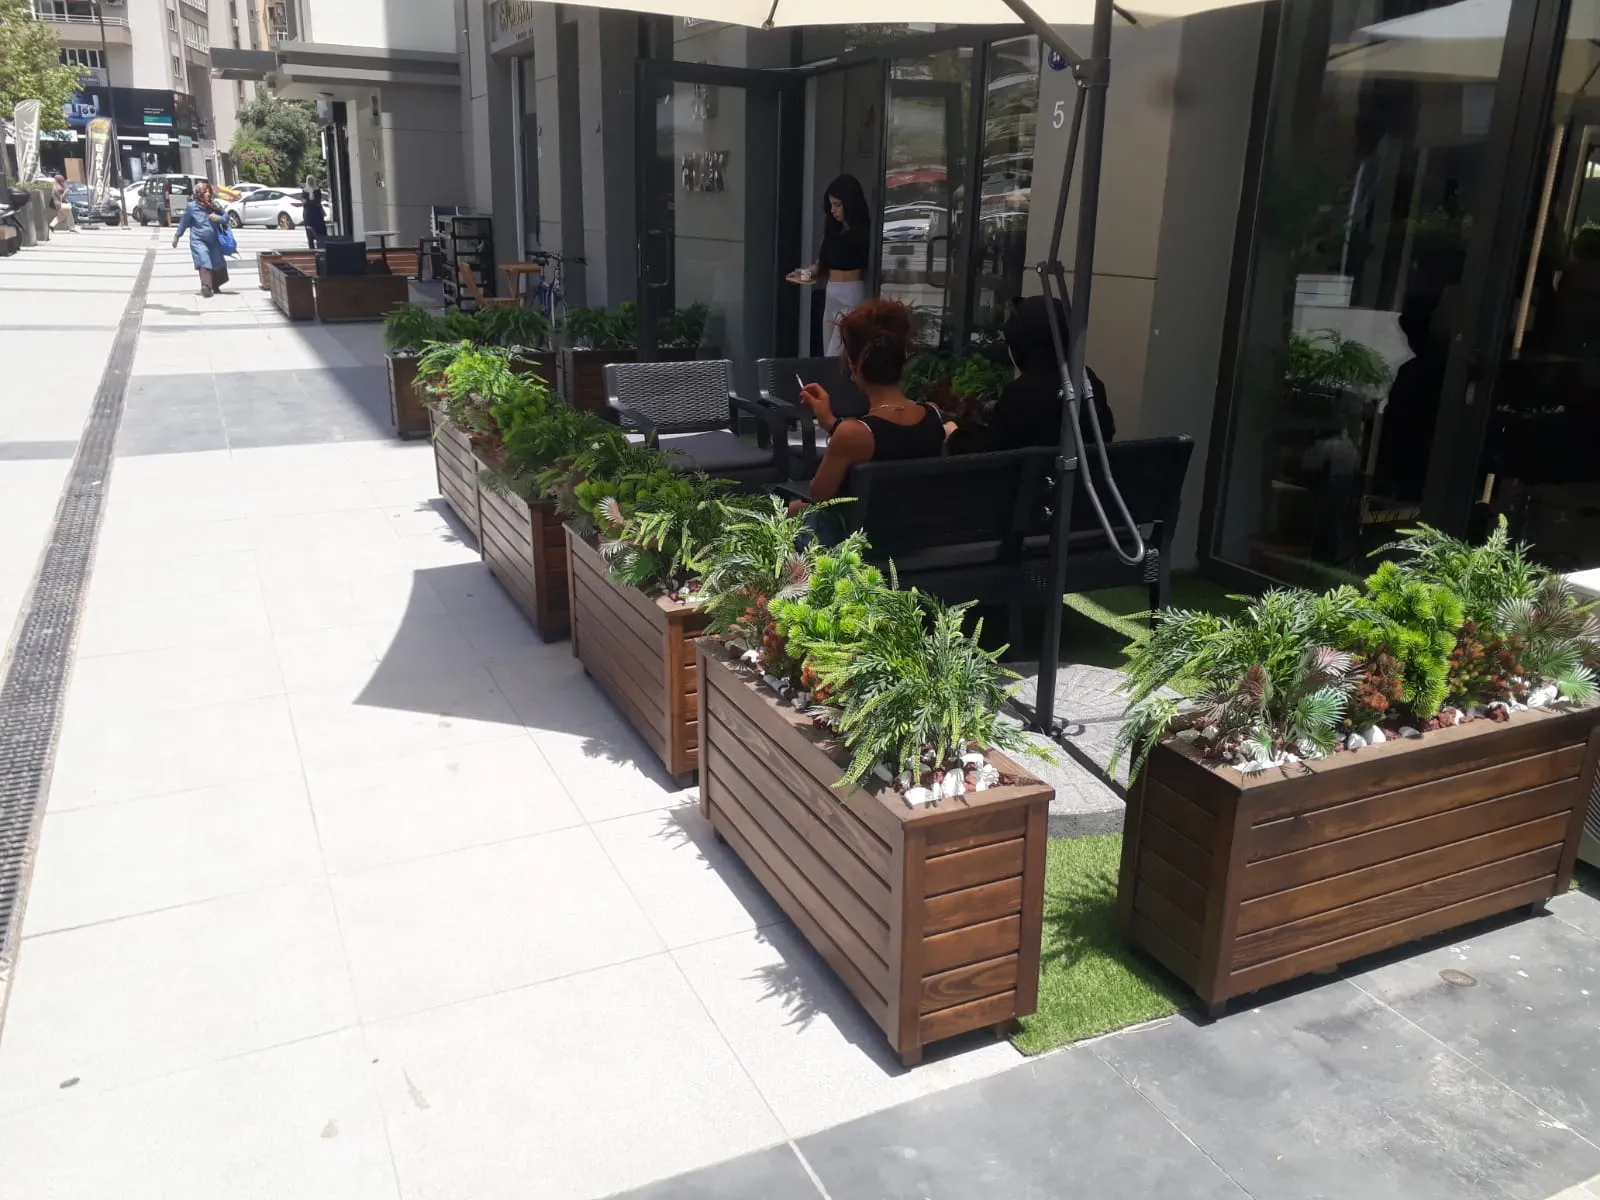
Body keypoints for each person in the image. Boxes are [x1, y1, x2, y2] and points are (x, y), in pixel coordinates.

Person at [793, 299, 946, 515]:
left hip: (862, 532)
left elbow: (818, 495)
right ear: (903, 361)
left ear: (854, 366)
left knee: (788, 510)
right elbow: (890, 441)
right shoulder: (933, 415)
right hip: (918, 527)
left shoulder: (854, 434)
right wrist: (830, 422)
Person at [976, 295, 1116, 453]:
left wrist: (957, 435)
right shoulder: (1087, 380)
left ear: (1021, 347)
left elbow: (991, 453)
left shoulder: (1022, 393)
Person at [788, 174, 871, 356]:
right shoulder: (833, 231)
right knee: (829, 349)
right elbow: (820, 266)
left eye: (838, 205)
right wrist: (803, 274)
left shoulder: (864, 231)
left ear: (850, 203)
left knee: (837, 351)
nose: (833, 210)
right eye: (831, 205)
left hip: (851, 294)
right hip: (832, 292)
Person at [172, 182, 230, 298]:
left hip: (214, 240)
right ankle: (206, 286)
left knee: (217, 262)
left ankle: (215, 285)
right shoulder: (192, 207)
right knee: (204, 260)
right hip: (198, 240)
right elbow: (184, 223)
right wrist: (177, 236)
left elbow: (226, 218)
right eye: (205, 192)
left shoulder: (214, 205)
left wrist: (218, 218)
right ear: (199, 194)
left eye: (209, 191)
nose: (208, 194)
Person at [301, 177, 327, 249]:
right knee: (309, 233)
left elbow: (317, 201)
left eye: (311, 180)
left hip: (316, 214)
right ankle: (312, 249)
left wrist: (308, 202)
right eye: (309, 180)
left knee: (320, 232)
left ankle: (322, 248)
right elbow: (304, 201)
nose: (310, 182)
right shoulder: (304, 191)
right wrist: (310, 202)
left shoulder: (317, 190)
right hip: (309, 214)